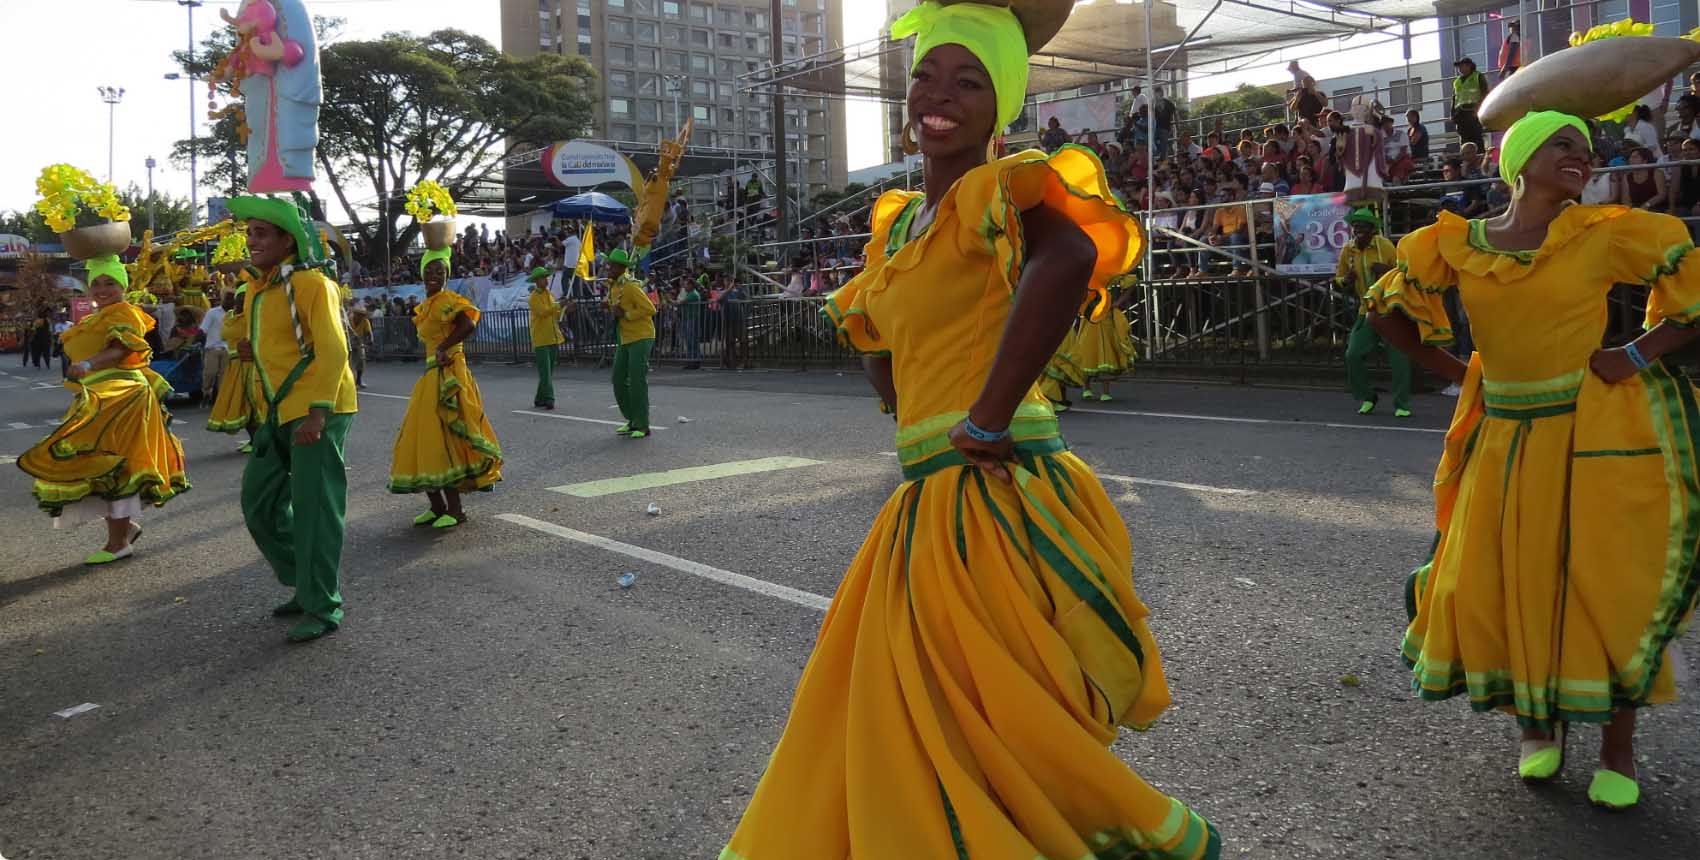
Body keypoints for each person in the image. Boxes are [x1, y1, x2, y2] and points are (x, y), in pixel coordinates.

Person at [722, 3, 1219, 857]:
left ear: (1004, 104)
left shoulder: (999, 190)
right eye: (925, 75)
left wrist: (986, 410)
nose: (938, 96)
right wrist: (901, 390)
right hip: (929, 497)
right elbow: (876, 346)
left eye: (969, 80)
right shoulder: (900, 227)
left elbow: (1065, 260)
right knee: (916, 714)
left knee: (986, 718)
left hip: (990, 493)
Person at [1368, 85, 1700, 810]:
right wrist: (1461, 374)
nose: (1582, 157)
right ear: (1519, 161)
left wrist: (1637, 355)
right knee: (1507, 581)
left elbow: (1690, 285)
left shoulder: (1603, 232)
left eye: (1586, 148)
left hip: (1591, 435)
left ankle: (1619, 749)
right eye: (1563, 146)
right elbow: (1390, 311)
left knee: (1601, 587)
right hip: (1503, 440)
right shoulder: (1457, 242)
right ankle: (1536, 731)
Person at [229, 196, 359, 644]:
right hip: (277, 411)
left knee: (315, 513)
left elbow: (334, 348)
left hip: (317, 411)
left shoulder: (311, 283)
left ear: (288, 241)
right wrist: (249, 349)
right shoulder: (256, 290)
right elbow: (270, 347)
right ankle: (303, 581)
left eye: (262, 233)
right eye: (249, 233)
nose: (252, 241)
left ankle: (322, 605)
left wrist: (318, 412)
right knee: (259, 504)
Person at [16, 254, 190, 565]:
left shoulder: (124, 312)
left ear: (123, 286)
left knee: (114, 464)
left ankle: (119, 541)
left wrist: (87, 363)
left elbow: (120, 348)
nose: (101, 288)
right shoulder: (100, 315)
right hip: (101, 393)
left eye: (110, 282)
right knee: (96, 464)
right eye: (95, 283)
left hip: (122, 394)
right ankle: (124, 530)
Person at [389, 246, 503, 526]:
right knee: (420, 437)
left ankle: (455, 510)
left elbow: (468, 325)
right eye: (429, 270)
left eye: (440, 271)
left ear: (447, 275)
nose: (434, 275)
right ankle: (437, 506)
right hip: (431, 374)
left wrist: (444, 346)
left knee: (444, 438)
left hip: (450, 373)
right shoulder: (427, 305)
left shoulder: (448, 299)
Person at [1335, 209, 1407, 416]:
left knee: (1398, 358)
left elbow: (1404, 272)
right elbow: (1339, 277)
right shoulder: (1348, 250)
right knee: (1352, 354)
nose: (1358, 231)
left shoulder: (1385, 246)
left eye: (1363, 227)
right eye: (1355, 227)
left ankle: (1402, 405)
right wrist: (1345, 281)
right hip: (1365, 310)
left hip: (1391, 310)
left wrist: (1386, 270)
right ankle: (1368, 396)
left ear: (1373, 230)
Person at [605, 248, 656, 439]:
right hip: (625, 337)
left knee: (637, 381)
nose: (608, 268)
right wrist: (607, 306)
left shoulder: (631, 286)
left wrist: (626, 314)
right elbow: (615, 305)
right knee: (618, 379)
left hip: (641, 336)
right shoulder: (614, 286)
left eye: (611, 265)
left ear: (620, 268)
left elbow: (650, 309)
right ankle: (632, 419)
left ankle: (643, 425)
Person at [206, 283, 257, 453]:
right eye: (238, 298)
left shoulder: (252, 316)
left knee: (252, 403)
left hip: (250, 363)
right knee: (239, 404)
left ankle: (257, 441)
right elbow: (225, 334)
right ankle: (253, 439)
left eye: (245, 298)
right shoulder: (229, 316)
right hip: (234, 363)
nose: (240, 301)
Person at [527, 266, 566, 409]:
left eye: (546, 277)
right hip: (541, 339)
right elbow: (542, 312)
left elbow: (554, 313)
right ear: (537, 281)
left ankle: (539, 398)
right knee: (546, 372)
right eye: (543, 278)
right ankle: (549, 398)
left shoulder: (550, 294)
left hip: (553, 336)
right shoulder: (533, 298)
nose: (546, 280)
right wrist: (558, 305)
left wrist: (564, 307)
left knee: (548, 372)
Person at [1452, 57, 1490, 150]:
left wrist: (1478, 108)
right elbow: (1454, 98)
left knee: (1476, 138)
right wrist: (1452, 113)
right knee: (1464, 139)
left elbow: (1484, 92)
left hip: (1473, 111)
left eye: (1462, 66)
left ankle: (1479, 158)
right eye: (1459, 67)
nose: (1460, 69)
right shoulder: (1457, 81)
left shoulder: (1478, 76)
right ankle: (1466, 158)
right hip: (1461, 113)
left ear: (1469, 66)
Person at [200, 288, 231, 401]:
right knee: (210, 373)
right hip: (212, 348)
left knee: (224, 377)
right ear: (223, 299)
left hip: (228, 349)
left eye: (232, 299)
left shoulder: (235, 314)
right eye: (227, 298)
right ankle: (206, 391)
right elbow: (203, 329)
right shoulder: (212, 313)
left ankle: (220, 399)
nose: (230, 301)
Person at [679, 274, 704, 370]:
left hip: (692, 319)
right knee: (689, 341)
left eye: (686, 285)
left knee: (692, 340)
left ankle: (694, 361)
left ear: (691, 285)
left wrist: (669, 299)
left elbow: (680, 302)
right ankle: (690, 361)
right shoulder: (689, 293)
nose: (684, 286)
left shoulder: (693, 294)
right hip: (688, 319)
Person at [348, 303, 371, 389]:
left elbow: (368, 333)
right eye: (359, 314)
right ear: (355, 314)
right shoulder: (349, 320)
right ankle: (349, 381)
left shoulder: (365, 321)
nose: (360, 316)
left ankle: (359, 380)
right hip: (348, 343)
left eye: (362, 315)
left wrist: (370, 341)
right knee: (349, 363)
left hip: (359, 343)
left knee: (361, 362)